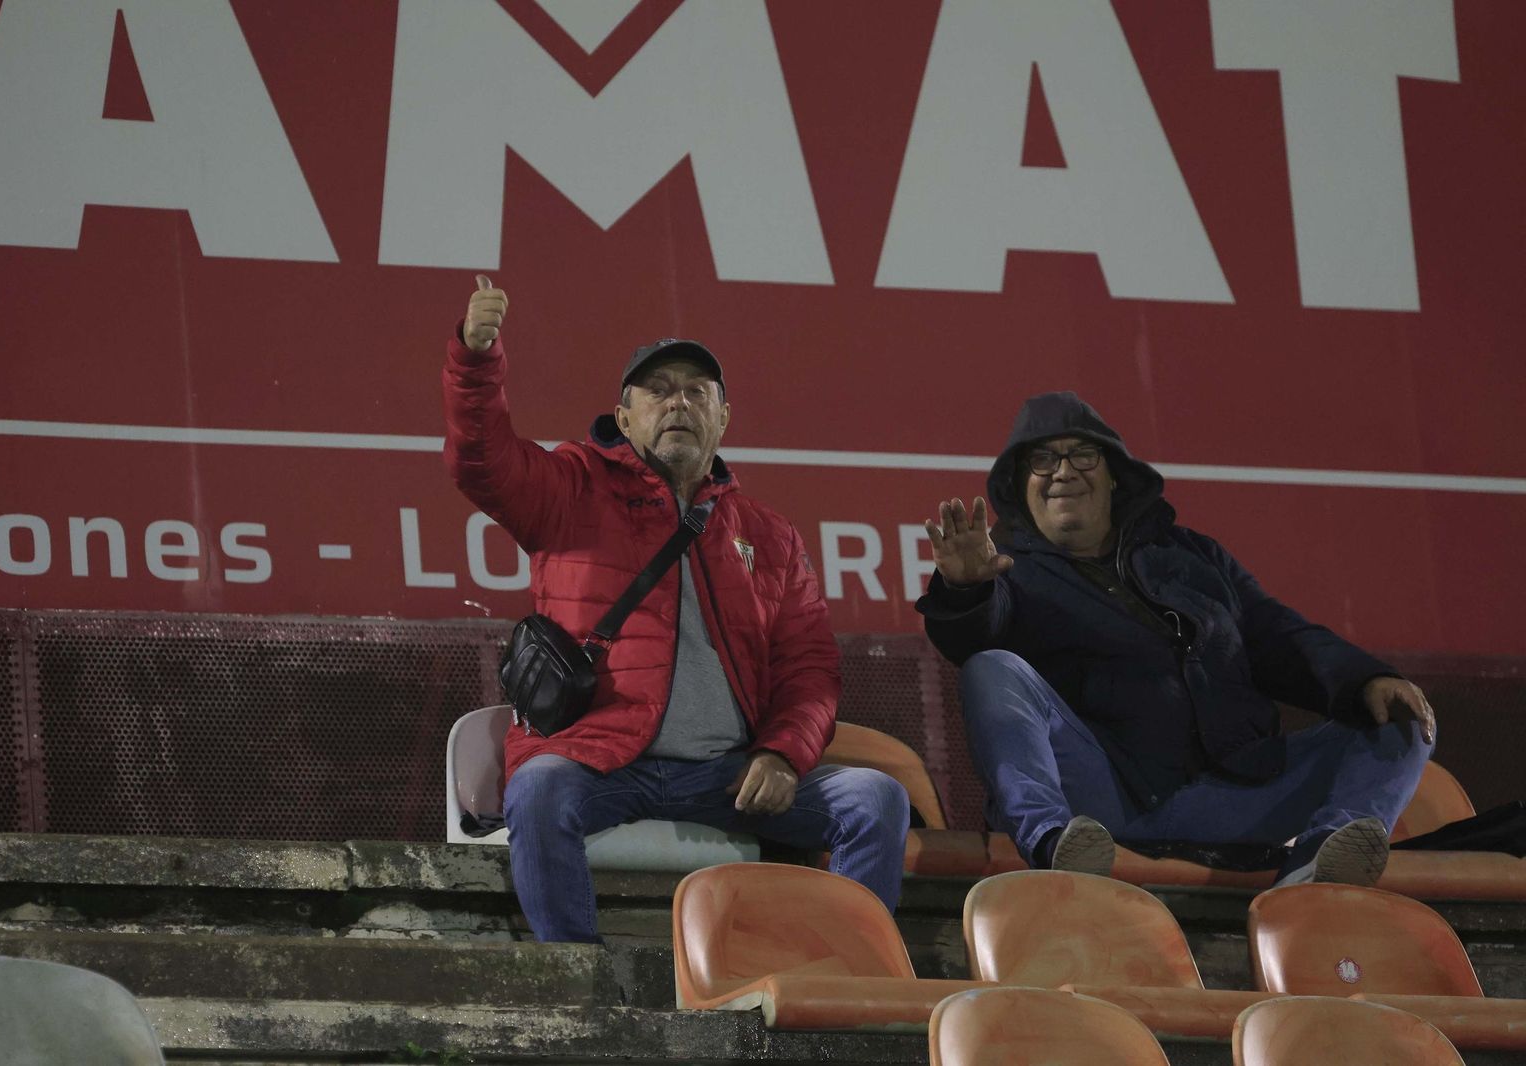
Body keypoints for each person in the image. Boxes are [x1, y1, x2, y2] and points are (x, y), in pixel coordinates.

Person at [444, 279, 909, 942]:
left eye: (697, 391)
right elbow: (481, 462)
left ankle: (842, 978)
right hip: (598, 758)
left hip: (725, 772)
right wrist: (475, 360)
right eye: (658, 389)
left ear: (723, 418)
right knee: (540, 789)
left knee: (874, 800)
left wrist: (781, 754)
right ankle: (584, 992)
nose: (679, 402)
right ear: (624, 417)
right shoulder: (572, 487)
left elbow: (810, 670)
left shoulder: (769, 536)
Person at [918, 391, 1435, 885]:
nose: (1064, 471)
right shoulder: (1007, 573)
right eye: (1043, 460)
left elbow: (1280, 636)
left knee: (1400, 716)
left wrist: (1367, 678)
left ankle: (1314, 868)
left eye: (1083, 455)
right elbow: (971, 635)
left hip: (1239, 794)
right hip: (1105, 804)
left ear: (1115, 475)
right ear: (1019, 482)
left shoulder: (1193, 557)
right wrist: (966, 589)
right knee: (993, 669)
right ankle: (1050, 844)